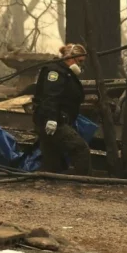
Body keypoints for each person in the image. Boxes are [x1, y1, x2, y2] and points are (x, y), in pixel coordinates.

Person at [32, 43, 91, 175]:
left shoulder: (66, 73)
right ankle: (84, 182)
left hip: (56, 120)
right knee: (80, 149)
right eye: (80, 62)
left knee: (53, 160)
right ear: (70, 58)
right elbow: (50, 96)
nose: (81, 66)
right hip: (53, 121)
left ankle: (51, 186)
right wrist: (52, 119)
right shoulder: (55, 72)